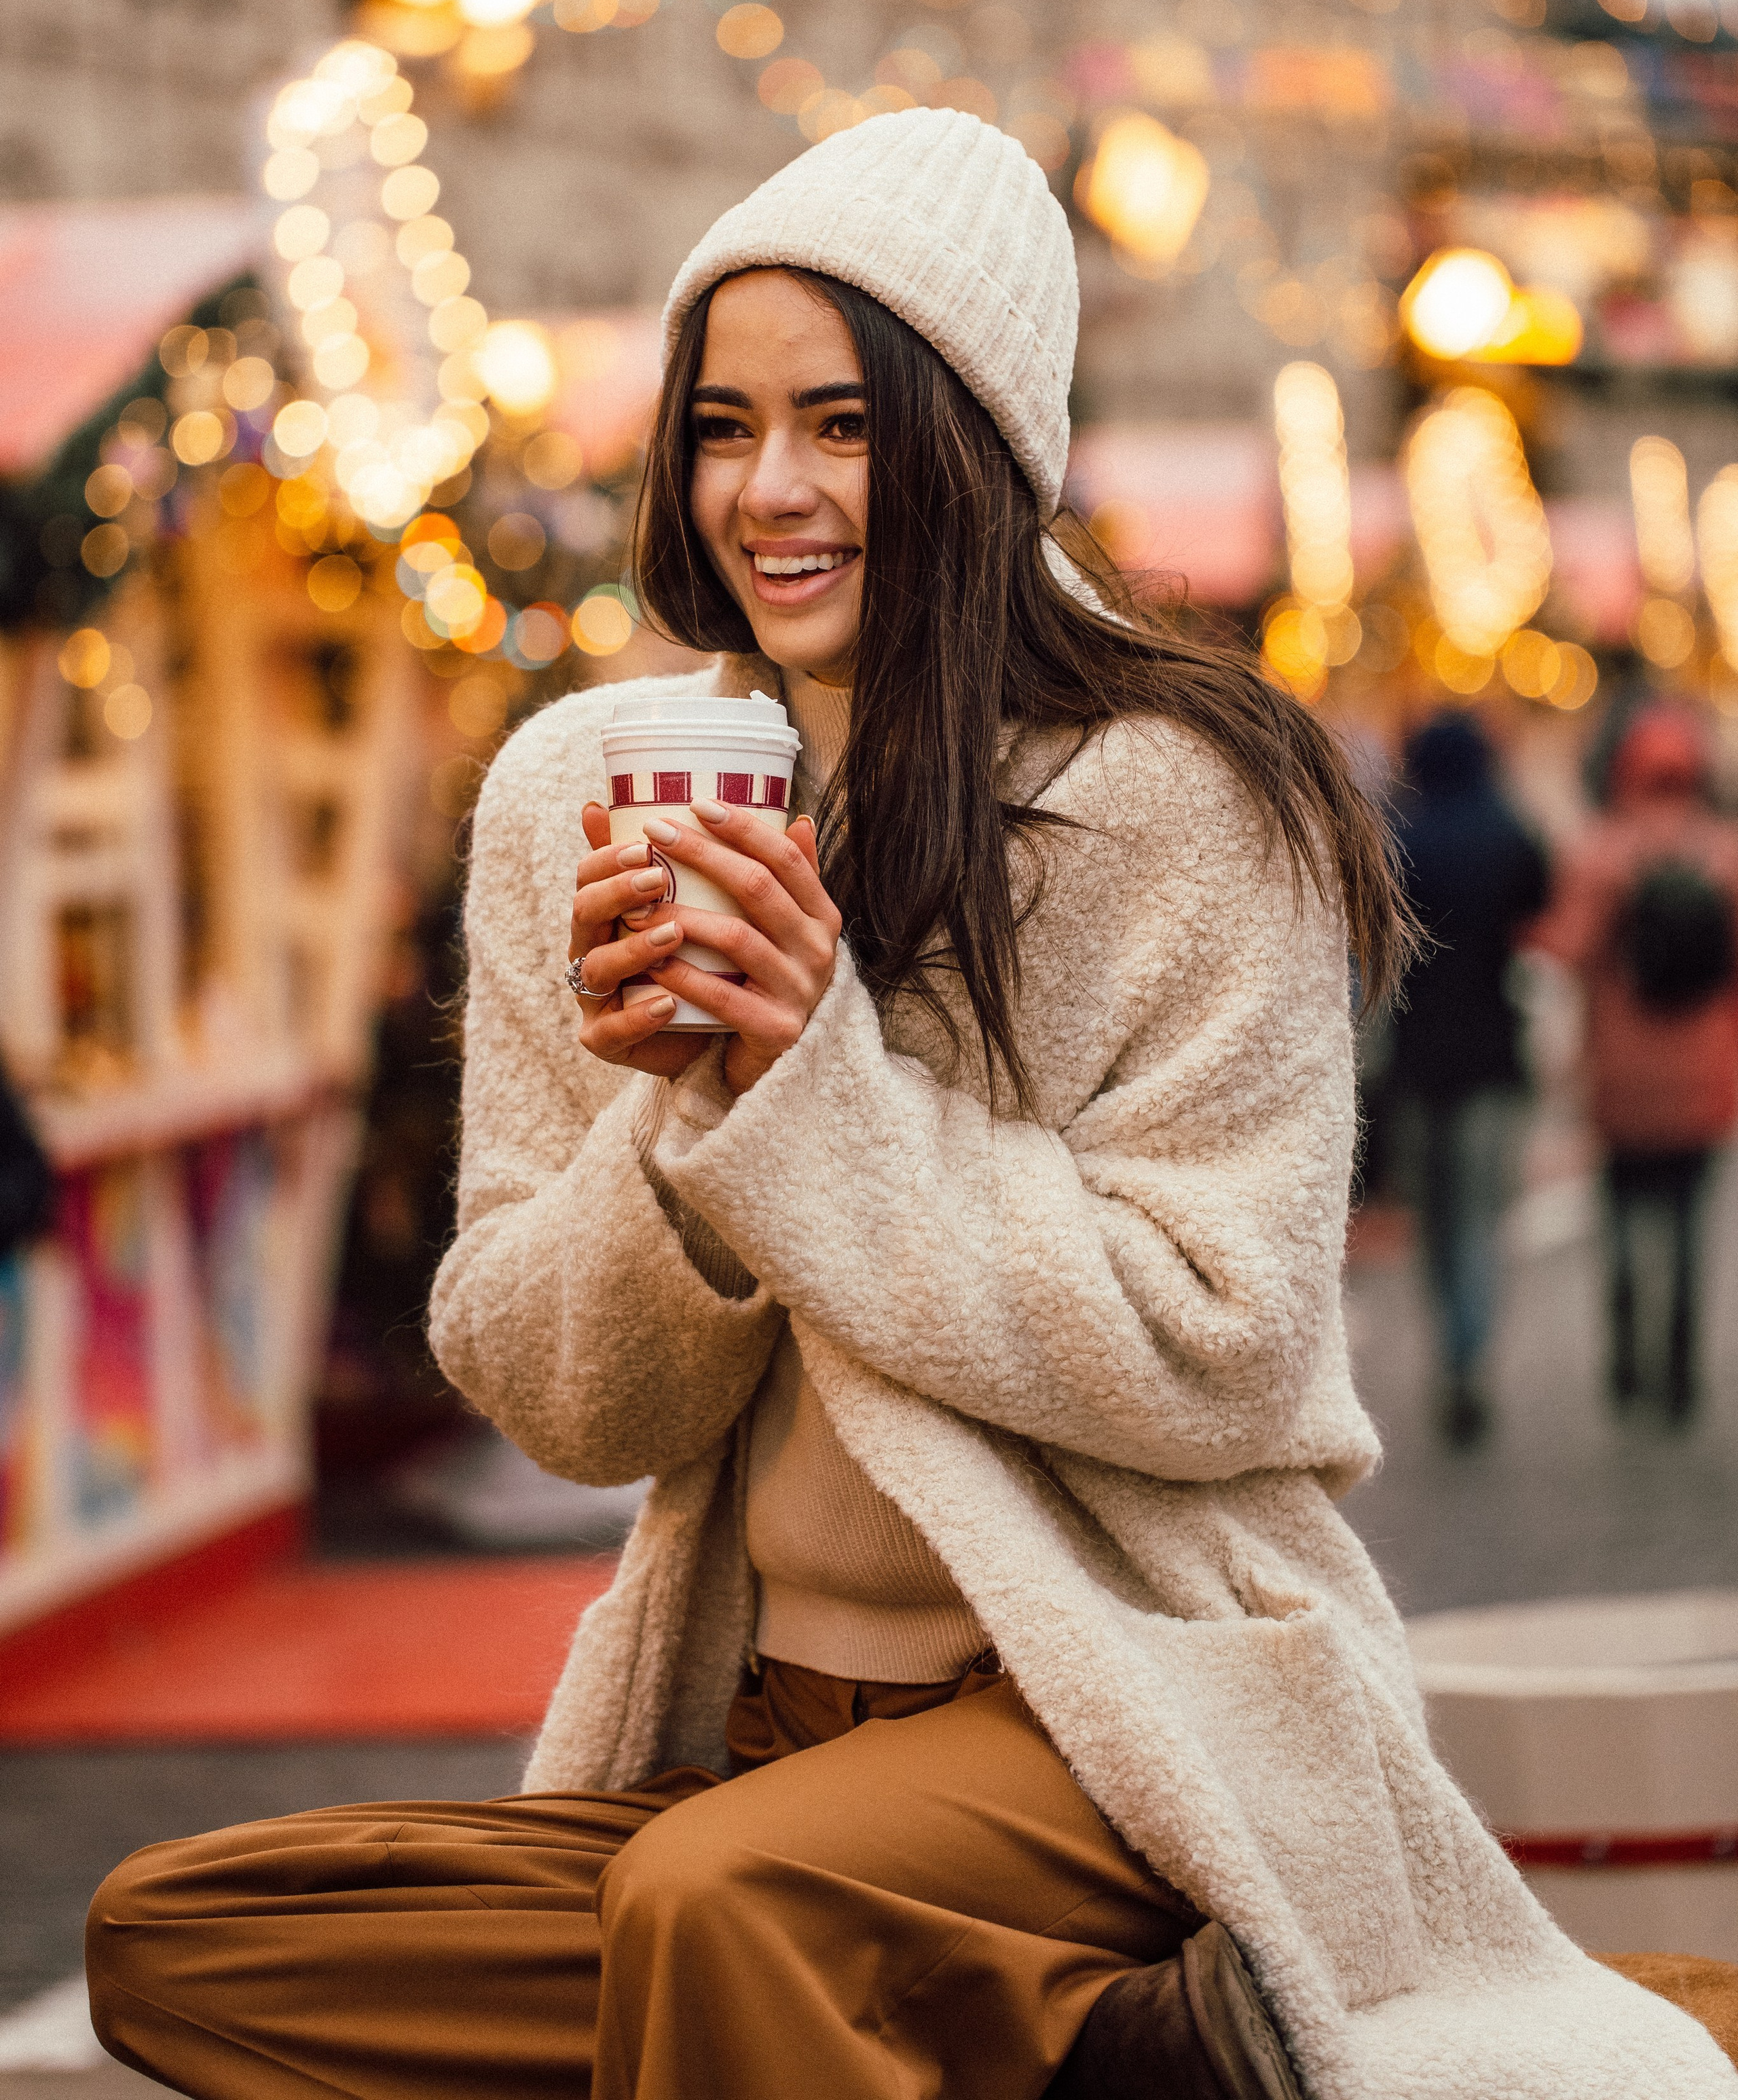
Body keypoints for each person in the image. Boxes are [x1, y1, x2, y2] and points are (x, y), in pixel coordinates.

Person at [86, 113, 1737, 2100]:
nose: (766, 487)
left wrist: (811, 1087)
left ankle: (1036, 1982)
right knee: (186, 1936)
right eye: (721, 423)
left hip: (1115, 1703)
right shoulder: (575, 796)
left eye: (841, 424)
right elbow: (554, 1396)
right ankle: (1092, 2038)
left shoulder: (1181, 799)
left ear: (974, 442)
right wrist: (680, 1128)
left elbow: (1221, 1345)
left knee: (708, 1904)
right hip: (758, 1718)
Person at [1537, 699, 1738, 1421]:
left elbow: (1568, 950)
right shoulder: (1725, 853)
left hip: (1621, 1074)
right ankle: (1679, 1371)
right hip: (1704, 1072)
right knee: (1688, 1224)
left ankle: (1625, 1360)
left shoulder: (1600, 852)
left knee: (1621, 1213)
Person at [1386, 712, 1549, 1446]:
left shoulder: (1401, 838)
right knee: (1482, 1216)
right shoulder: (1507, 833)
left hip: (1417, 1058)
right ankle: (1470, 1353)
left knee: (1435, 1221)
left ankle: (1447, 1345)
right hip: (1492, 1054)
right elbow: (1539, 915)